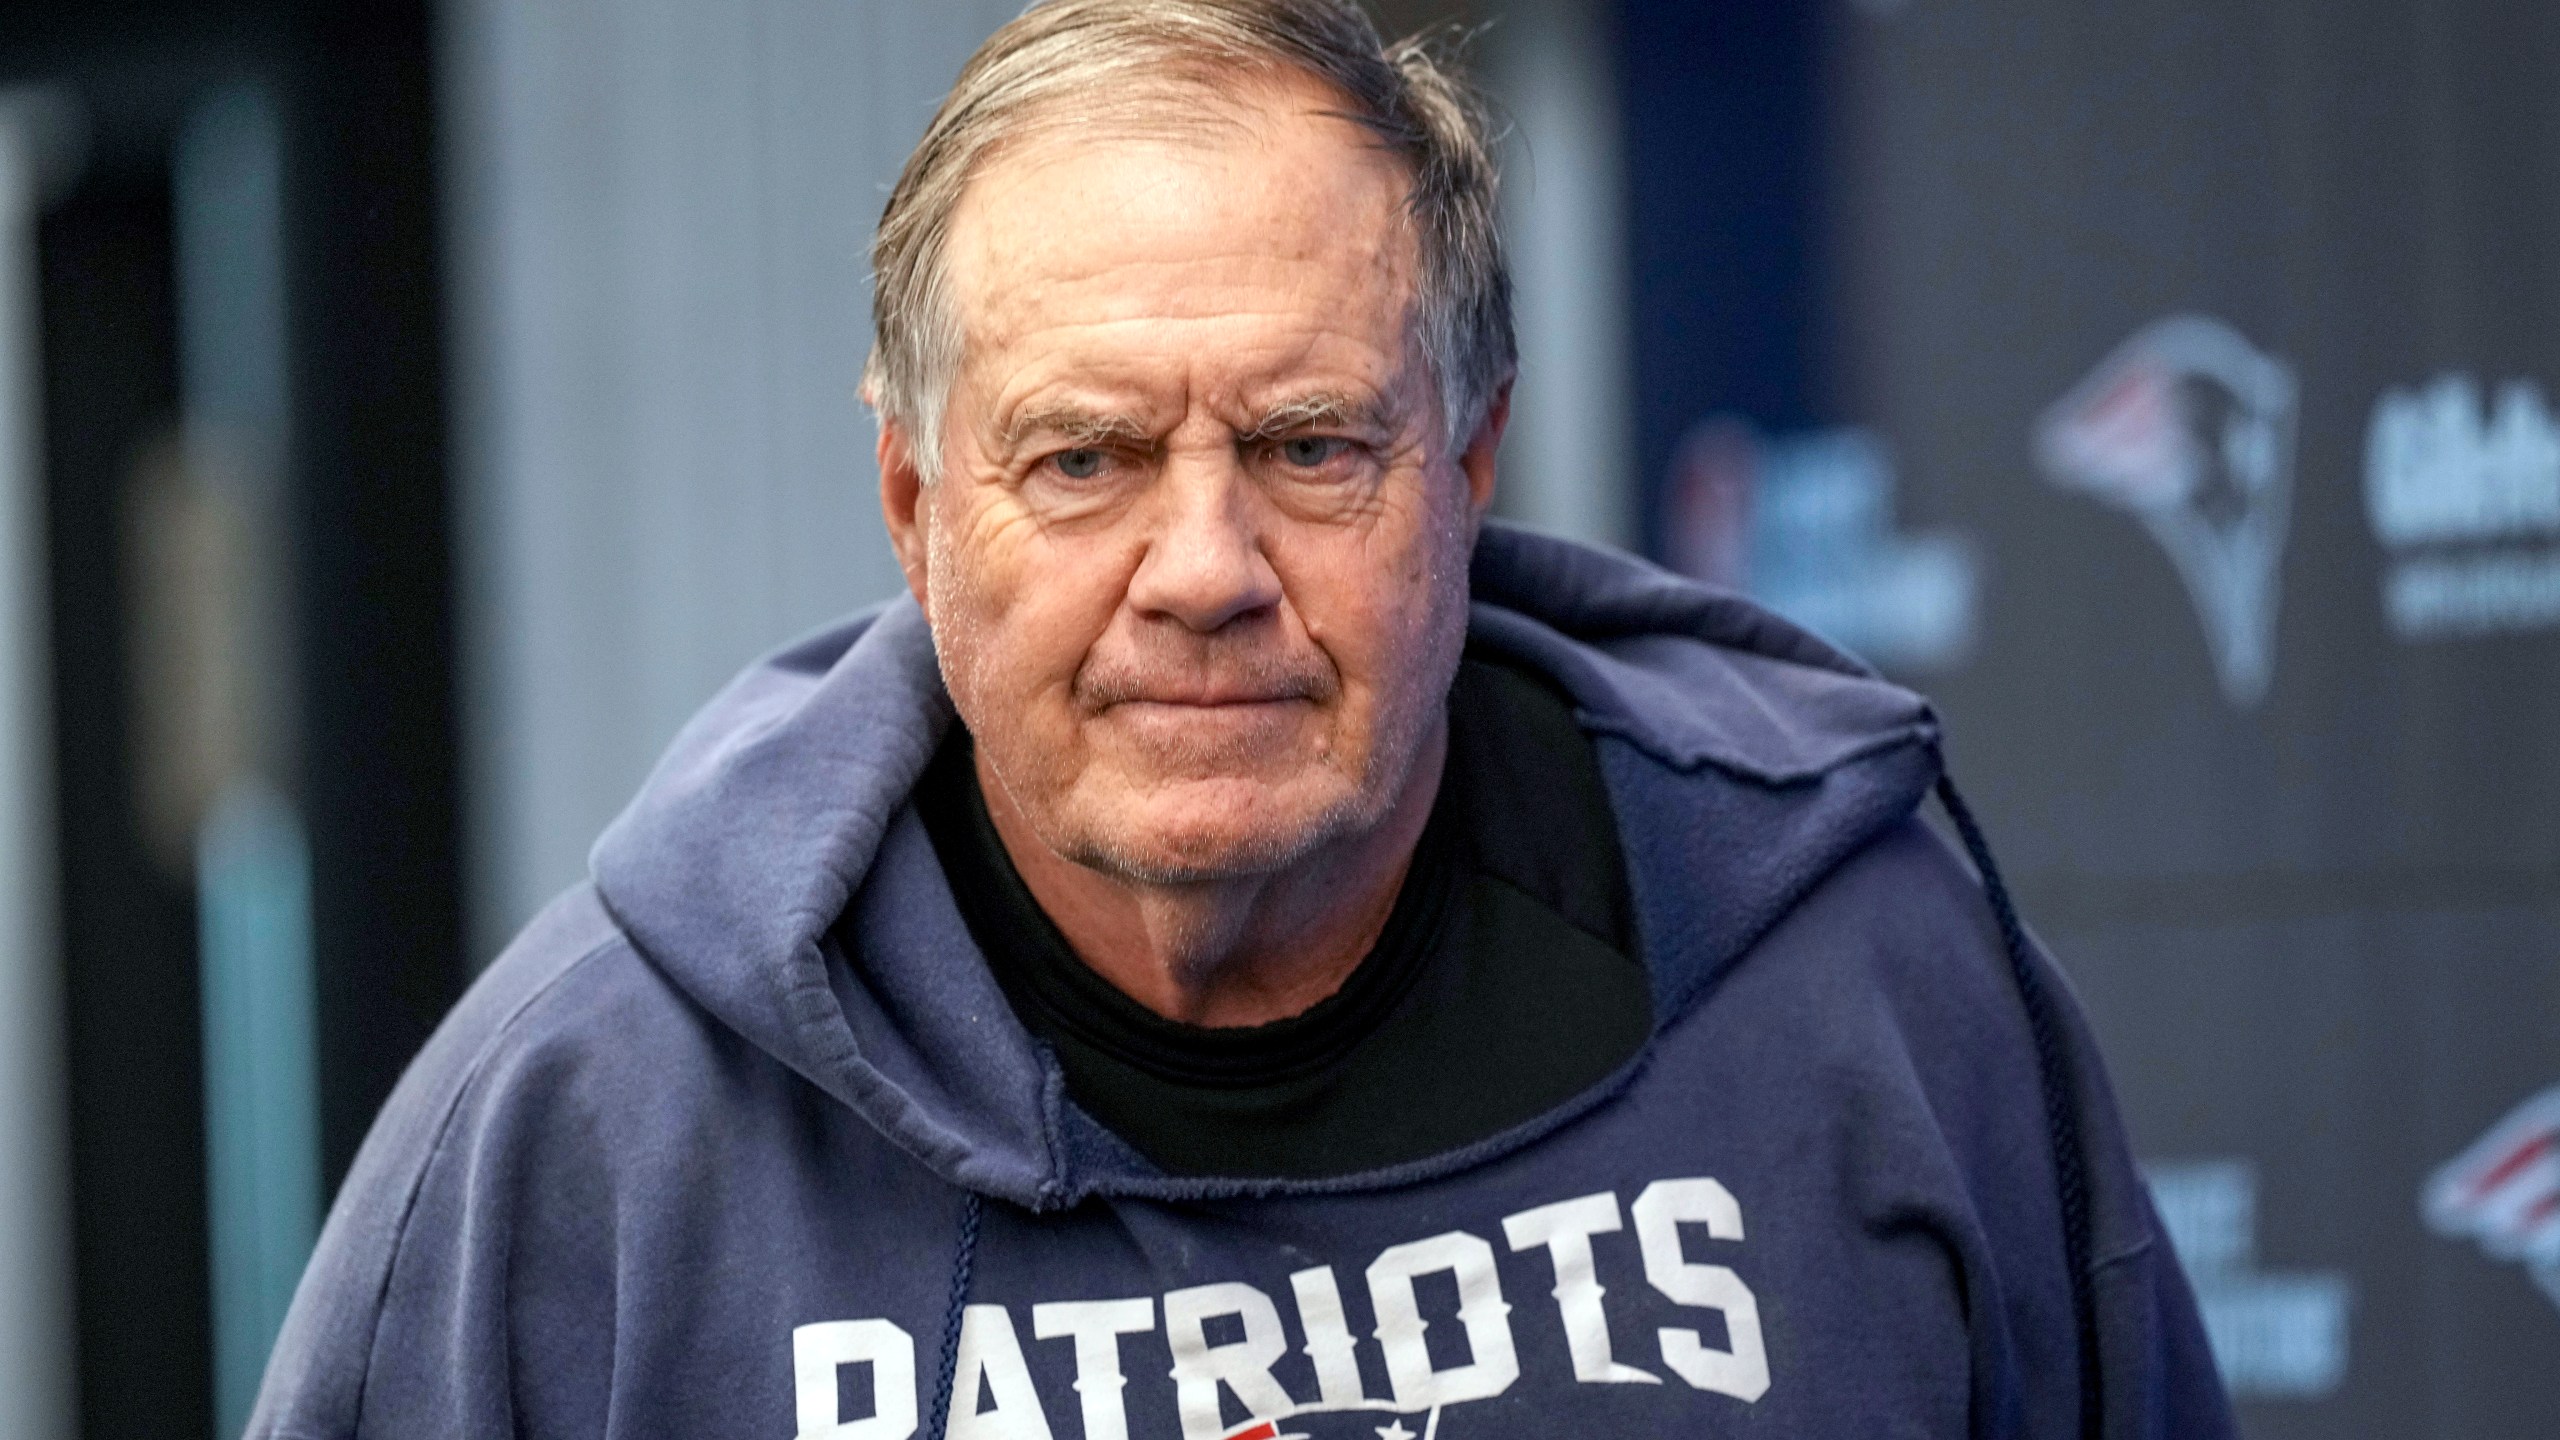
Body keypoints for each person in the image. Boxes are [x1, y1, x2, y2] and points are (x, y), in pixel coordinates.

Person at [252, 2, 2234, 1436]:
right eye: (1086, 460)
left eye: (1305, 446)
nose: (1202, 566)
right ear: (916, 512)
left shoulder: (1865, 989)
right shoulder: (575, 1138)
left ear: (1466, 468)